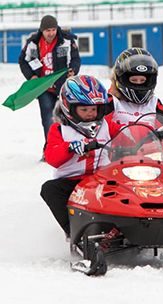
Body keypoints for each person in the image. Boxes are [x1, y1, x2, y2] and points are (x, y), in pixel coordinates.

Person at [40, 75, 122, 238]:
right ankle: (75, 232)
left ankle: (133, 224)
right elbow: (51, 157)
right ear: (69, 107)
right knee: (49, 189)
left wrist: (151, 135)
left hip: (103, 179)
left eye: (93, 109)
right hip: (72, 182)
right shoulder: (60, 130)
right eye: (84, 110)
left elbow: (126, 133)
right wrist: (69, 147)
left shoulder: (106, 125)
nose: (90, 114)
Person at [19, 15, 81, 146]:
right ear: (42, 30)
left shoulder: (66, 40)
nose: (51, 33)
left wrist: (73, 70)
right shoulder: (33, 43)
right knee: (48, 117)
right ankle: (51, 147)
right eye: (48, 30)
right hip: (43, 87)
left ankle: (69, 146)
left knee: (67, 116)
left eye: (53, 29)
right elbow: (23, 60)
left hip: (63, 86)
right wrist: (31, 76)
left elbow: (75, 59)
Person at [105, 47, 163, 140]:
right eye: (134, 80)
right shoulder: (111, 101)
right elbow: (103, 126)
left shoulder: (154, 102)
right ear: (121, 79)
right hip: (117, 152)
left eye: (142, 80)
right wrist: (126, 133)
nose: (139, 83)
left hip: (151, 152)